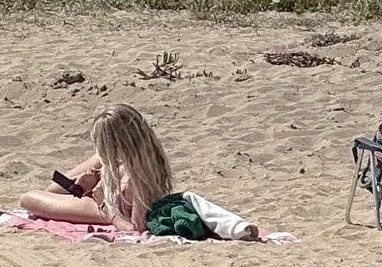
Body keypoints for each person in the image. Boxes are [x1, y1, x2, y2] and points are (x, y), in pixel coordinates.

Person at [15, 103, 262, 241]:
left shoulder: (134, 175)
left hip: (107, 210)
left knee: (29, 198)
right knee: (54, 188)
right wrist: (96, 177)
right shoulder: (144, 158)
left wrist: (104, 206)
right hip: (109, 198)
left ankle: (89, 190)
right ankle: (87, 184)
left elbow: (135, 229)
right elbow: (55, 189)